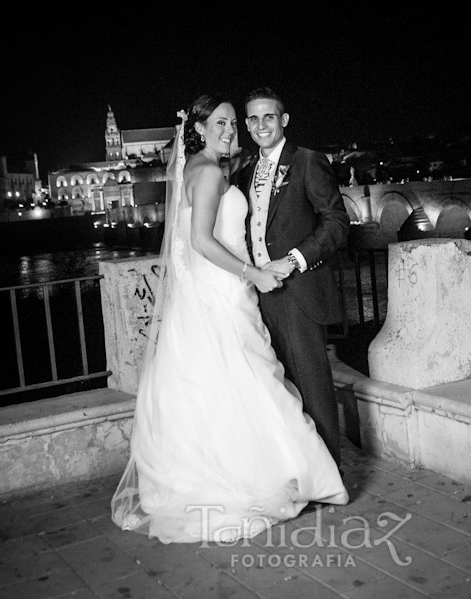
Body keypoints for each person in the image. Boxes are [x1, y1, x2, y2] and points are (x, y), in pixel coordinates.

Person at [110, 94, 348, 544]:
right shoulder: (211, 171)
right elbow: (201, 240)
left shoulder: (286, 164)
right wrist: (252, 272)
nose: (234, 129)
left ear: (283, 120)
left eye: (237, 122)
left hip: (270, 291)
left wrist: (286, 263)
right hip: (234, 289)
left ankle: (315, 472)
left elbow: (334, 221)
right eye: (225, 122)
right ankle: (277, 475)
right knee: (245, 385)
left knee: (285, 383)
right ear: (198, 129)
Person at [239, 87, 350, 470]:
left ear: (283, 120)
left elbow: (336, 222)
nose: (260, 125)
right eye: (253, 118)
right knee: (281, 390)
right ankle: (299, 471)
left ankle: (328, 479)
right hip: (258, 296)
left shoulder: (307, 161)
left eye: (268, 116)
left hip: (298, 292)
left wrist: (294, 260)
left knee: (313, 388)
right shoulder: (244, 173)